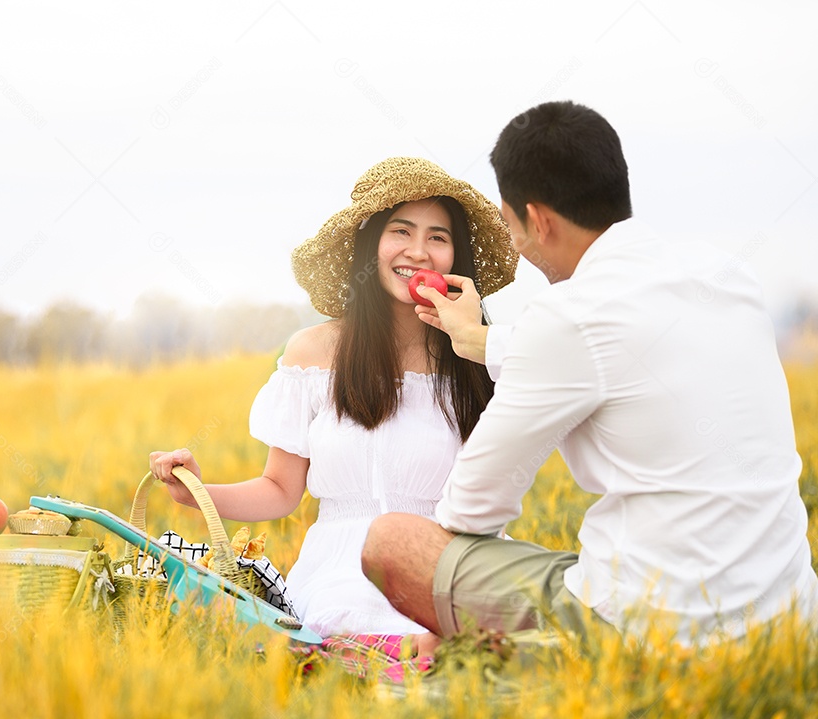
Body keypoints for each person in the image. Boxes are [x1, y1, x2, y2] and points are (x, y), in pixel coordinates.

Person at [361, 101, 818, 647]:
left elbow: (472, 509)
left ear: (540, 221)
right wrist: (475, 340)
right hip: (790, 627)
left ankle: (528, 663)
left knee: (393, 541)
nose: (516, 246)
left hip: (653, 630)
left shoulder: (567, 316)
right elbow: (611, 348)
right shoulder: (726, 276)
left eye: (511, 228)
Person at [149, 157, 518, 641]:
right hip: (341, 575)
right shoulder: (315, 353)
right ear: (371, 245)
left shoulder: (484, 359)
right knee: (343, 642)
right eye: (400, 231)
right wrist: (196, 492)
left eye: (438, 237)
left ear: (456, 258)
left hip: (450, 571)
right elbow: (280, 490)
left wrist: (475, 340)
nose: (418, 252)